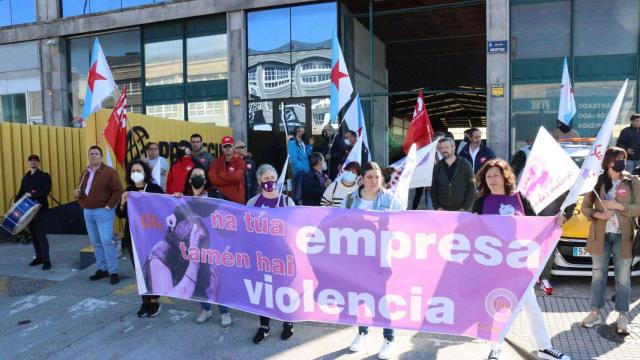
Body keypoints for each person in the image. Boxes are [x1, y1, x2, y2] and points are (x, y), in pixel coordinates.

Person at [472, 159, 570, 360]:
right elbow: (471, 230)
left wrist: (557, 220)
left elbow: (537, 225)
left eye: (495, 175)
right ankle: (495, 349)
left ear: (505, 177)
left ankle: (544, 348)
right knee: (497, 309)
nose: (491, 179)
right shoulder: (481, 202)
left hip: (519, 264)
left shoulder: (519, 199)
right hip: (493, 265)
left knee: (531, 306)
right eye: (488, 176)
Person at [343, 161, 403, 360]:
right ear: (361, 179)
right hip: (357, 259)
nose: (373, 181)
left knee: (382, 298)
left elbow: (404, 225)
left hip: (381, 257)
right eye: (369, 177)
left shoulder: (391, 198)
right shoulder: (350, 200)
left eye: (377, 177)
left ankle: (389, 338)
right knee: (360, 298)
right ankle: (362, 333)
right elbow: (340, 226)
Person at [580, 147, 639, 335]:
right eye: (618, 159)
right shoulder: (596, 181)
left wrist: (618, 206)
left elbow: (639, 208)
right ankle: (595, 312)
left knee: (623, 278)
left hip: (624, 236)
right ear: (608, 162)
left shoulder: (632, 181)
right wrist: (598, 213)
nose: (622, 162)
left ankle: (622, 315)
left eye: (624, 158)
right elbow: (585, 207)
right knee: (598, 276)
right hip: (601, 237)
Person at [170, 166, 231, 328]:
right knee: (200, 278)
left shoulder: (214, 194)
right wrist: (178, 202)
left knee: (215, 279)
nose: (198, 178)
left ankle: (224, 312)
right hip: (196, 247)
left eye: (201, 175)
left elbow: (221, 209)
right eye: (194, 175)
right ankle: (205, 309)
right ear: (190, 180)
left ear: (205, 180)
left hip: (215, 246)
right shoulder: (186, 198)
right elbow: (181, 209)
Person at [247, 164, 296, 344]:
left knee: (284, 289)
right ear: (260, 182)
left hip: (282, 255)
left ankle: (288, 322)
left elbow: (295, 226)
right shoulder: (253, 202)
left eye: (272, 178)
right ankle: (264, 325)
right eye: (266, 179)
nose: (270, 182)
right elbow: (247, 226)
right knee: (263, 291)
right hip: (261, 255)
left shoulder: (286, 201)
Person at [116, 159, 164, 317]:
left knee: (152, 269)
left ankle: (155, 301)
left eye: (139, 170)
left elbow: (165, 205)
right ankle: (145, 301)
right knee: (139, 271)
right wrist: (122, 202)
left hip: (150, 237)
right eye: (133, 171)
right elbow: (120, 213)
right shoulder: (129, 190)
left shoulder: (154, 188)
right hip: (133, 238)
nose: (136, 173)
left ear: (145, 173)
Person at [74, 146, 123, 284]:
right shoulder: (85, 172)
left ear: (101, 157)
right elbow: (81, 190)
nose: (93, 156)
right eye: (91, 154)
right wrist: (78, 196)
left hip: (103, 211)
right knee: (95, 242)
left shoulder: (109, 172)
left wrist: (109, 206)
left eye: (96, 154)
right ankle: (102, 269)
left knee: (106, 241)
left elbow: (118, 190)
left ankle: (113, 271)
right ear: (88, 156)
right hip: (88, 211)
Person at [16, 154, 52, 270]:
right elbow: (21, 193)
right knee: (34, 236)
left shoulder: (44, 176)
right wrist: (16, 203)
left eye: (35, 161)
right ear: (28, 163)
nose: (33, 162)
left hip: (40, 210)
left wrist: (32, 194)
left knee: (41, 235)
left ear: (39, 163)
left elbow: (45, 191)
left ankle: (46, 260)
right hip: (27, 212)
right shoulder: (25, 178)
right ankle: (39, 257)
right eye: (31, 161)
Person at [431, 137, 476, 211]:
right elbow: (433, 189)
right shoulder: (438, 167)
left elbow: (472, 187)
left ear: (453, 147)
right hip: (442, 211)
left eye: (446, 147)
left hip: (462, 210)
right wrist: (437, 207)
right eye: (441, 148)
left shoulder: (465, 164)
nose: (443, 150)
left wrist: (465, 208)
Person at [208, 135, 245, 204]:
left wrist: (221, 175)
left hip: (236, 200)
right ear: (222, 148)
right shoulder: (216, 161)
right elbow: (212, 179)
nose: (227, 148)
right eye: (225, 146)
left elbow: (237, 178)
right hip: (220, 200)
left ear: (233, 147)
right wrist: (231, 179)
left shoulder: (240, 161)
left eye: (229, 146)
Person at [288, 126, 314, 204]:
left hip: (305, 172)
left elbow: (307, 153)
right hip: (300, 172)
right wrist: (302, 169)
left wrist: (310, 145)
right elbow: (293, 159)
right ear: (297, 132)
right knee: (298, 194)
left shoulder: (302, 143)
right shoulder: (292, 143)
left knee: (303, 192)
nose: (304, 133)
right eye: (302, 131)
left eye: (304, 131)